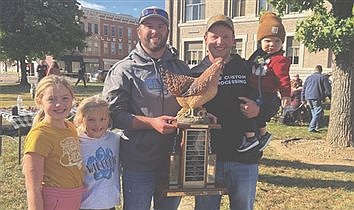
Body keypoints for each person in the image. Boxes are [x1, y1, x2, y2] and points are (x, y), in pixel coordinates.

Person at [102, 6, 190, 210]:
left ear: (167, 31)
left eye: (161, 26)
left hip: (175, 162)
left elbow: (192, 106)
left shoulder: (181, 68)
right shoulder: (124, 69)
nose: (155, 31)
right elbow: (113, 115)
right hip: (138, 162)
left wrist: (203, 116)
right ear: (139, 31)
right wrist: (151, 123)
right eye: (149, 25)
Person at [192, 14, 261, 210]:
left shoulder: (247, 68)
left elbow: (270, 99)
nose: (220, 42)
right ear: (205, 39)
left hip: (244, 159)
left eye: (225, 36)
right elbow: (187, 110)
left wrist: (258, 110)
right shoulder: (196, 73)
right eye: (214, 36)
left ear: (233, 39)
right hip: (208, 158)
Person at [23, 75, 84, 210]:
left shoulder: (71, 127)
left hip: (76, 198)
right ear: (39, 101)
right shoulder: (39, 135)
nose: (59, 104)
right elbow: (33, 188)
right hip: (55, 201)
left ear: (72, 100)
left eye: (65, 98)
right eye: (51, 99)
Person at [237, 12, 291, 152]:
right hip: (254, 89)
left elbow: (283, 78)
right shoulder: (259, 55)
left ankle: (250, 139)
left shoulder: (280, 60)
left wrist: (286, 94)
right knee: (252, 112)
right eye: (268, 41)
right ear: (260, 41)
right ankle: (263, 134)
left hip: (265, 93)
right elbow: (249, 65)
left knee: (247, 111)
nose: (272, 45)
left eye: (277, 41)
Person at [73, 96, 121, 210]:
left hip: (109, 203)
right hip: (85, 204)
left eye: (102, 119)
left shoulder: (115, 139)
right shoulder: (77, 142)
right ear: (81, 119)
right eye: (91, 120)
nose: (98, 125)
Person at [301, 64, 331, 132]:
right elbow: (328, 90)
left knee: (313, 112)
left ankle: (316, 127)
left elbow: (304, 88)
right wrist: (330, 97)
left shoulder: (309, 77)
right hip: (316, 96)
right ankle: (311, 127)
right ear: (321, 70)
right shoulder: (323, 77)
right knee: (318, 111)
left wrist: (302, 98)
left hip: (308, 96)